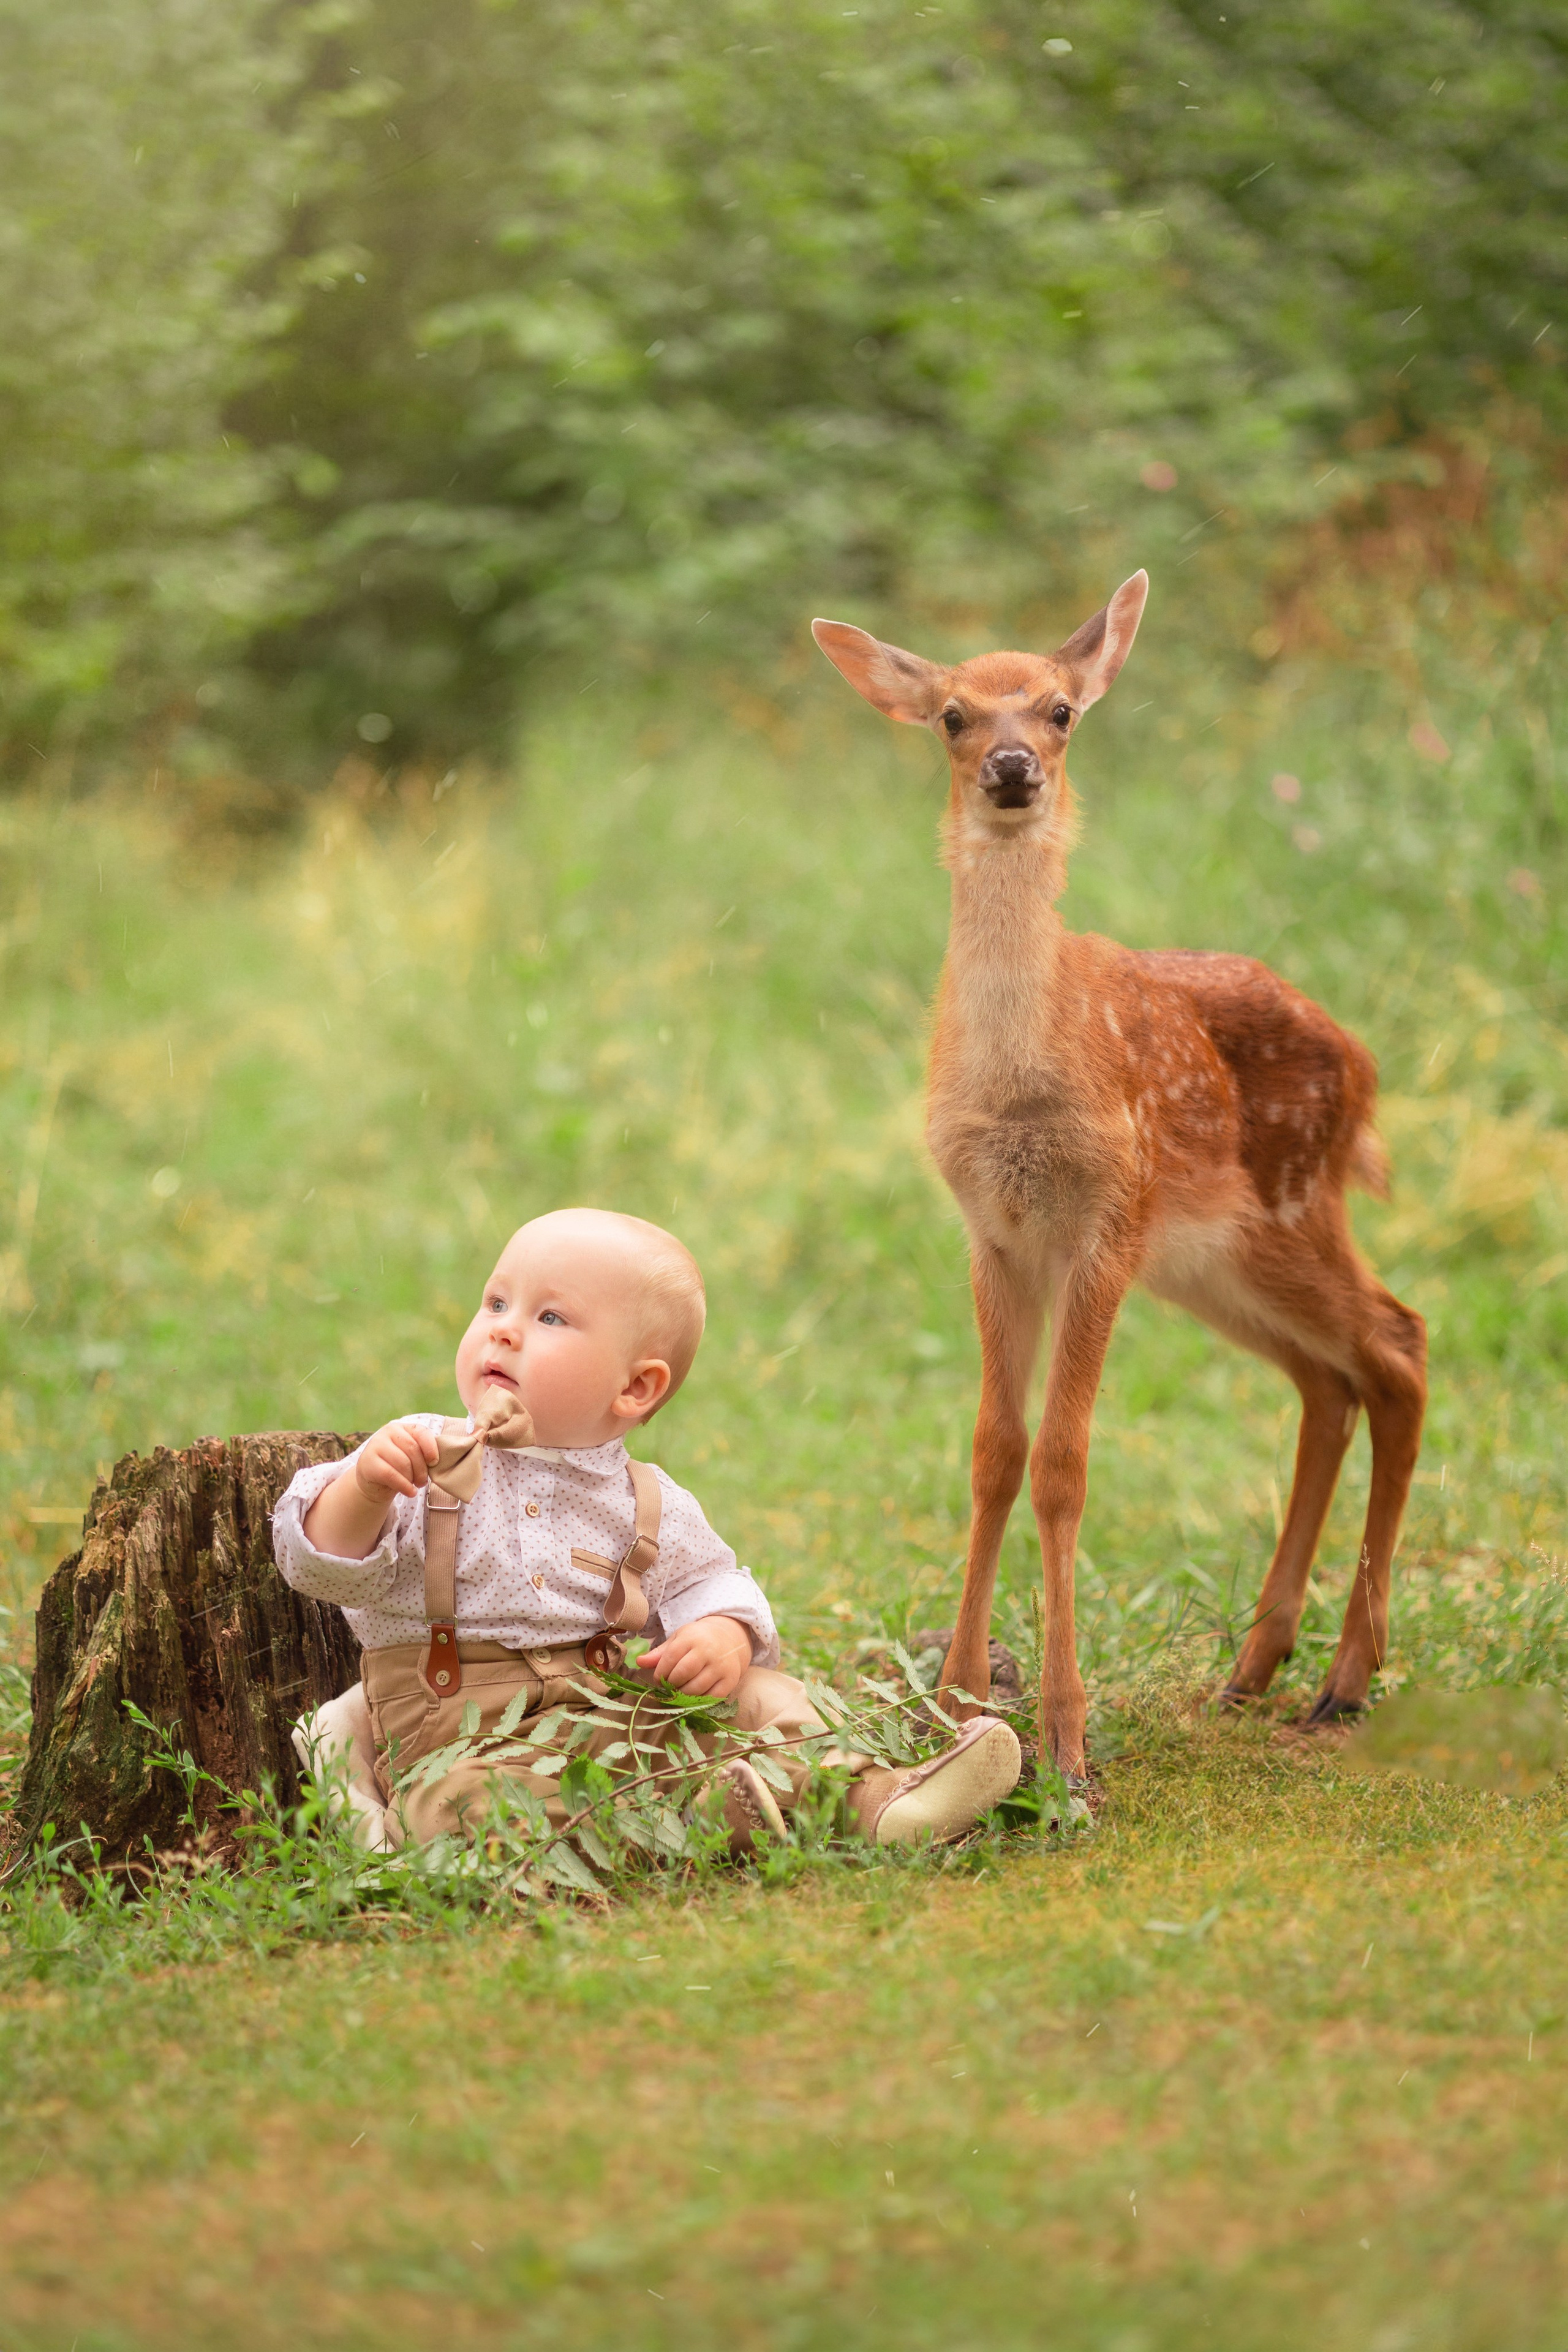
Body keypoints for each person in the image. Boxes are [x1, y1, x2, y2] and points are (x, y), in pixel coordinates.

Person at [273, 1207, 1021, 1855]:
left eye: (549, 1318)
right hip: (461, 1730)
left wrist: (723, 1634)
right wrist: (363, 1487)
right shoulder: (421, 1453)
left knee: (769, 1697)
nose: (502, 1332)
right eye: (495, 1302)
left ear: (635, 1388)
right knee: (468, 1806)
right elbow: (325, 1568)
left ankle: (876, 1800)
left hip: (613, 1709)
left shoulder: (645, 1498)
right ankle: (707, 1815)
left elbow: (710, 1581)